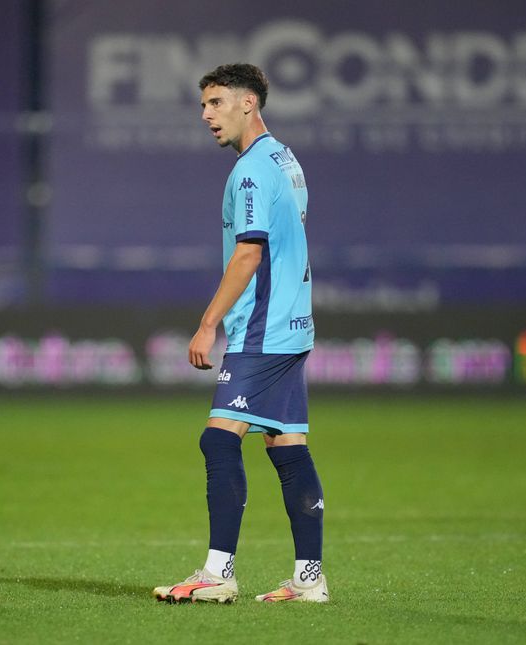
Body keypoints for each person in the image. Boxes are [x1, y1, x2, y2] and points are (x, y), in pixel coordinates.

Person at [152, 63, 327, 604]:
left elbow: (249, 252)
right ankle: (309, 579)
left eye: (216, 103)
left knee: (219, 438)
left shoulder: (251, 170)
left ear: (248, 102)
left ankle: (217, 573)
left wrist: (208, 324)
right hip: (293, 324)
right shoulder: (284, 157)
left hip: (262, 328)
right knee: (287, 446)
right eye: (203, 105)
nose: (206, 115)